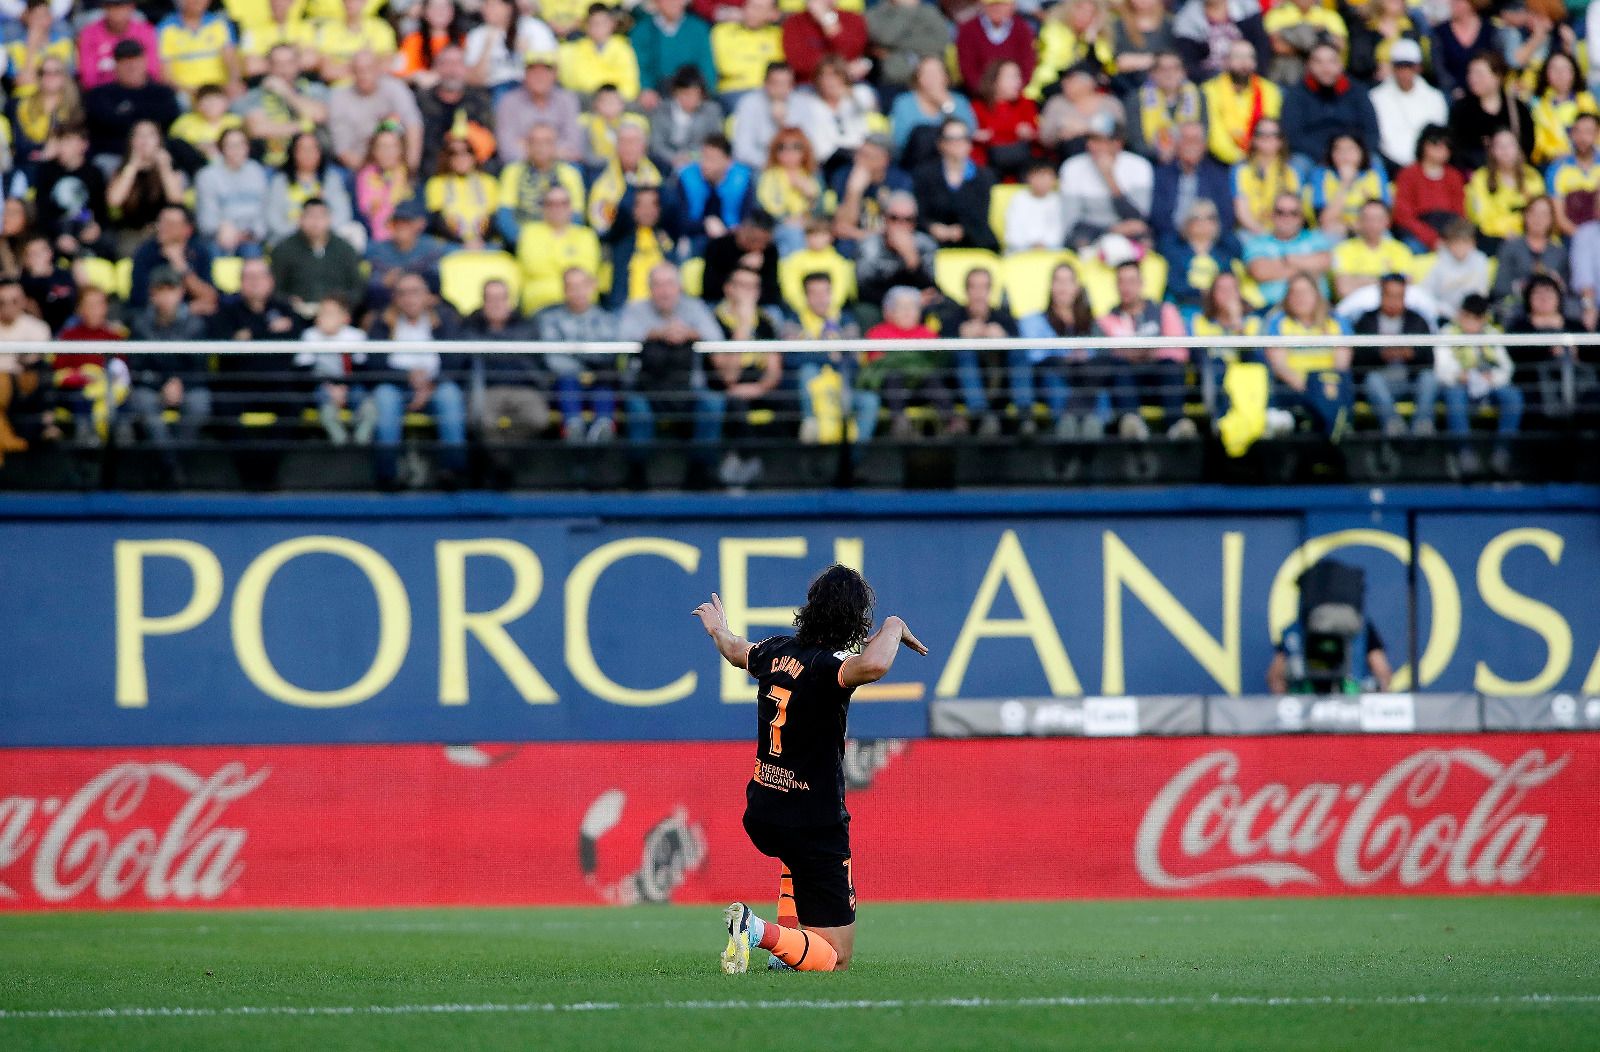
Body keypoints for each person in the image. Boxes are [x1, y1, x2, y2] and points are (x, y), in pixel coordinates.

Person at [703, 565, 928, 975]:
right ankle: (755, 930)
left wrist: (718, 629)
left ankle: (783, 954)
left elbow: (735, 649)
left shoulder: (775, 651)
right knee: (836, 957)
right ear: (855, 620)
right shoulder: (830, 670)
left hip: (763, 813)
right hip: (813, 823)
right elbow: (875, 665)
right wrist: (894, 624)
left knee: (796, 861)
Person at [615, 263, 726, 488]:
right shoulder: (635, 309)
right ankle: (637, 473)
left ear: (679, 288)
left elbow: (717, 339)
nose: (664, 291)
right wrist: (657, 333)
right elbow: (620, 340)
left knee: (713, 404)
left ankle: (700, 471)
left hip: (689, 388)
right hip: (646, 388)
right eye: (658, 285)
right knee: (637, 410)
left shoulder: (694, 308)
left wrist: (689, 333)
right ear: (649, 289)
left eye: (669, 285)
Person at [362, 271, 468, 487]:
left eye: (415, 292)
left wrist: (430, 383)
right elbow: (373, 363)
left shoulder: (445, 319)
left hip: (435, 385)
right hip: (395, 385)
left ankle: (454, 472)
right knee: (385, 398)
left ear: (428, 296)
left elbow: (456, 360)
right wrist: (407, 378)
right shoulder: (381, 322)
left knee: (450, 396)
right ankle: (387, 475)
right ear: (395, 297)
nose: (409, 298)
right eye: (403, 293)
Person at [125, 266, 212, 482]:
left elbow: (201, 366)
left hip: (188, 386)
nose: (166, 297)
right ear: (152, 294)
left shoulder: (195, 324)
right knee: (143, 404)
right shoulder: (140, 324)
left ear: (180, 292)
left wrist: (179, 382)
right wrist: (162, 383)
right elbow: (135, 365)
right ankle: (173, 468)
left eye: (170, 290)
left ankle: (170, 467)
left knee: (200, 405)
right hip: (151, 386)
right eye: (160, 290)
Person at [1096, 260, 1191, 438]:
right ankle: (1131, 423)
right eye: (1121, 281)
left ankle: (1176, 425)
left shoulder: (1165, 310)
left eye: (1131, 281)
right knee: (1119, 367)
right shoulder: (1106, 319)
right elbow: (1107, 354)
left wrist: (1143, 351)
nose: (1126, 287)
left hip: (1160, 376)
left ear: (1141, 283)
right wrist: (1142, 350)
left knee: (1171, 365)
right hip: (1127, 381)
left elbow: (1180, 350)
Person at [708, 265, 782, 487]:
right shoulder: (715, 320)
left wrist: (759, 388)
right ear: (729, 289)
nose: (750, 292)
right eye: (743, 286)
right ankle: (745, 465)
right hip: (724, 387)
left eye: (754, 287)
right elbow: (727, 376)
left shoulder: (766, 321)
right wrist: (743, 326)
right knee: (735, 405)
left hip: (757, 386)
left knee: (791, 401)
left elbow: (774, 369)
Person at [463, 277, 550, 468]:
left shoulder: (527, 326)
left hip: (524, 388)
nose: (496, 304)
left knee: (538, 419)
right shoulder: (470, 326)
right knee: (481, 420)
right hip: (487, 389)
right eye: (491, 299)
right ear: (483, 302)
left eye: (501, 298)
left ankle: (501, 457)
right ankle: (504, 465)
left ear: (510, 301)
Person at [785, 270, 874, 447]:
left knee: (869, 401)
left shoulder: (845, 320)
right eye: (814, 293)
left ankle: (852, 462)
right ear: (805, 296)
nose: (821, 298)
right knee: (808, 370)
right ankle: (811, 424)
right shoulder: (794, 321)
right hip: (808, 389)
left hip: (843, 385)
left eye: (825, 292)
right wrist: (829, 355)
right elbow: (790, 359)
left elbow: (854, 359)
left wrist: (816, 353)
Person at [1015, 261, 1104, 438]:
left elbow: (1099, 353)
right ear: (1050, 286)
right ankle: (1069, 423)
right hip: (1052, 376)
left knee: (1095, 372)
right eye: (1058, 281)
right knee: (1053, 373)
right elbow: (1035, 357)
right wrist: (1067, 355)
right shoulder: (1033, 321)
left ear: (1077, 287)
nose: (1063, 287)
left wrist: (1082, 356)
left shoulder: (1091, 323)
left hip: (1084, 376)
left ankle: (1091, 425)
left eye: (1068, 281)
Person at [1435, 292, 1521, 477]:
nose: (1471, 322)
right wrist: (1460, 375)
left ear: (1484, 318)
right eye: (1468, 317)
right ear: (1460, 314)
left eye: (1477, 318)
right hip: (1460, 385)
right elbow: (1441, 369)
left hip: (1488, 386)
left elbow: (1507, 368)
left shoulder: (1492, 333)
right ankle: (1464, 453)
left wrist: (1492, 377)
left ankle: (1502, 452)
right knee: (1454, 395)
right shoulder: (1447, 333)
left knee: (1512, 396)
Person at [1259, 270, 1352, 437]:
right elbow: (1279, 365)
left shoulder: (1336, 321)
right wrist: (1311, 388)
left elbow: (1341, 364)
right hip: (1295, 387)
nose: (1300, 297)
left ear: (1317, 294)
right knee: (1324, 403)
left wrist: (1322, 385)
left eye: (1305, 292)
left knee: (1332, 390)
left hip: (1330, 384)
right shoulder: (1278, 321)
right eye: (1295, 292)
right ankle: (1332, 431)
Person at [537, 267, 618, 443]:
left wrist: (572, 352)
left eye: (582, 285)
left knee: (604, 379)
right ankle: (573, 428)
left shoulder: (607, 319)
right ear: (564, 290)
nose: (577, 292)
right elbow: (553, 359)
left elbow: (609, 355)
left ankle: (603, 427)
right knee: (568, 380)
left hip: (599, 379)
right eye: (572, 287)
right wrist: (587, 361)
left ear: (591, 287)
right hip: (564, 381)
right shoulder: (549, 318)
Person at [860, 285, 950, 438]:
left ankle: (953, 421)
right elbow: (876, 364)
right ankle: (900, 424)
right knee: (894, 375)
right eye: (902, 307)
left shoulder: (927, 333)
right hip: (890, 394)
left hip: (921, 391)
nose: (908, 312)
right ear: (888, 311)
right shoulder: (878, 333)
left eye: (913, 307)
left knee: (931, 376)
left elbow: (937, 360)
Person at [1353, 272, 1438, 435]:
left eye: (1398, 296)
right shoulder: (1366, 320)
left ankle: (1422, 427)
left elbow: (1430, 359)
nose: (1393, 301)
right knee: (1372, 379)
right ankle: (1393, 426)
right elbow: (1357, 360)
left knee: (1429, 378)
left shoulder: (1418, 320)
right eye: (1389, 295)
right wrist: (1381, 355)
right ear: (1380, 294)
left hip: (1411, 381)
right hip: (1381, 383)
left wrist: (1411, 354)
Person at [937, 266, 1016, 437]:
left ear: (990, 290)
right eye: (974, 287)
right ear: (966, 290)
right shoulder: (952, 319)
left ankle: (1025, 414)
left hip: (1001, 386)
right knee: (964, 353)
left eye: (984, 287)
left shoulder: (1004, 319)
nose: (979, 293)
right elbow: (940, 358)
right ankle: (980, 414)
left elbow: (1022, 354)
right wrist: (961, 339)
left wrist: (1005, 340)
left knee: (1018, 352)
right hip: (959, 388)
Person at [1057, 112, 1152, 250]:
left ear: (1117, 143)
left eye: (1099, 140)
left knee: (1144, 239)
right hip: (1090, 232)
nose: (1091, 145)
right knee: (1079, 240)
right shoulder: (1072, 167)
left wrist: (1110, 178)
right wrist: (1111, 231)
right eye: (1090, 139)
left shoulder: (1139, 166)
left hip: (1127, 232)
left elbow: (1139, 218)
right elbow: (1071, 222)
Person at [1280, 42, 1380, 171]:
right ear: (1308, 65)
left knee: (1375, 163)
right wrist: (1329, 157)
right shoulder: (1297, 94)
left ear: (1340, 65)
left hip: (1353, 154)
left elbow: (1371, 131)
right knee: (1296, 165)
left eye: (1331, 62)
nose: (1325, 68)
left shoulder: (1357, 91)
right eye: (1319, 62)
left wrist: (1353, 154)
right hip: (1312, 156)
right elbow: (1292, 135)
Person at [1267, 591, 1393, 693]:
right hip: (1348, 707)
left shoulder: (1294, 630)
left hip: (1325, 706)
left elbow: (1275, 679)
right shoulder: (1361, 627)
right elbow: (1382, 672)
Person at [235, 43, 330, 170]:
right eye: (277, 64)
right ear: (268, 66)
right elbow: (257, 129)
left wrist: (285, 92)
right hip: (268, 165)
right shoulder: (255, 94)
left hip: (312, 166)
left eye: (289, 63)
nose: (284, 69)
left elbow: (318, 116)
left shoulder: (315, 90)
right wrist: (304, 126)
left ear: (298, 65)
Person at [328, 51, 424, 176]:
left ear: (378, 69)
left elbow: (413, 124)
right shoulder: (339, 97)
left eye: (368, 69)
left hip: (398, 166)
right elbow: (343, 151)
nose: (363, 75)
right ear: (351, 72)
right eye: (358, 70)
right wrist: (372, 175)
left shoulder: (395, 88)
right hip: (357, 168)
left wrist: (410, 168)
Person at [295, 293, 373, 446]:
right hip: (322, 386)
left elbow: (361, 370)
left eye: (331, 313)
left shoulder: (356, 336)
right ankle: (341, 442)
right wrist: (329, 387)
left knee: (368, 407)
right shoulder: (310, 335)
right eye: (322, 313)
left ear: (345, 318)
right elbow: (304, 370)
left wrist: (344, 387)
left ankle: (360, 442)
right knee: (327, 411)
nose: (325, 317)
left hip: (351, 386)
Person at [495, 123, 588, 248]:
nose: (540, 147)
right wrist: (525, 242)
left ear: (555, 146)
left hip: (561, 243)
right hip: (522, 242)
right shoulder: (512, 172)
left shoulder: (570, 174)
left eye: (547, 142)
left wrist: (556, 241)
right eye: (535, 142)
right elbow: (505, 215)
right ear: (526, 145)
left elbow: (576, 216)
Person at [269, 198, 364, 319]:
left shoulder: (345, 250)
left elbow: (357, 288)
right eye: (310, 216)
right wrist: (288, 301)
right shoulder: (284, 250)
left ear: (329, 220)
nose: (315, 222)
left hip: (337, 316)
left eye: (320, 217)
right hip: (295, 316)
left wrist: (340, 303)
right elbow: (274, 289)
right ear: (300, 219)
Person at [517, 185, 602, 313]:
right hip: (540, 303)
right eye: (551, 204)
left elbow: (587, 269)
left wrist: (551, 260)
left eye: (563, 203)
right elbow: (533, 266)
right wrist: (569, 265)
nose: (557, 209)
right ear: (543, 208)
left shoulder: (586, 235)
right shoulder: (529, 232)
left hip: (580, 305)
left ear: (570, 207)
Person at [1151, 121, 1233, 251]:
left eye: (1196, 140)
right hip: (1173, 238)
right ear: (1177, 144)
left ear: (1204, 145)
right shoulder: (1162, 174)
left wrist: (1203, 233)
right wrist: (1186, 235)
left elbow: (1226, 215)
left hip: (1210, 239)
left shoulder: (1217, 175)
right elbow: (1157, 215)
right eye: (1186, 139)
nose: (1191, 145)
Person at [1447, 50, 1533, 173]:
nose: (1473, 78)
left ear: (1497, 77)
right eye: (1470, 73)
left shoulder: (1517, 108)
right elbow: (1457, 148)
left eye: (1479, 74)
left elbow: (1527, 143)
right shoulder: (1461, 109)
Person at [1244, 190, 1333, 309]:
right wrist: (1307, 268)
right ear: (1272, 214)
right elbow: (1259, 271)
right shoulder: (1258, 242)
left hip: (1317, 309)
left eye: (1293, 213)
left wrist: (1285, 261)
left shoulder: (1315, 237)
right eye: (1280, 212)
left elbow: (1325, 261)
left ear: (1302, 217)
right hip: (1272, 309)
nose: (1287, 217)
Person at [415, 45, 495, 177]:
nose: (452, 70)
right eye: (446, 63)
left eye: (458, 64)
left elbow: (488, 142)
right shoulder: (422, 101)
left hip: (474, 170)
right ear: (437, 68)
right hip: (430, 171)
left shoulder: (479, 100)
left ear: (466, 69)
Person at [732, 62, 829, 170]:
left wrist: (783, 123)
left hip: (798, 164)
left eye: (786, 84)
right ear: (765, 83)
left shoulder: (803, 103)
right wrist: (775, 165)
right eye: (776, 84)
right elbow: (742, 150)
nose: (781, 89)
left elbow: (810, 146)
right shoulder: (749, 103)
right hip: (762, 166)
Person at [1371, 38, 1447, 174]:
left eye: (1409, 66)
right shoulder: (1376, 97)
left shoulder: (1434, 97)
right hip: (1389, 166)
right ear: (1393, 68)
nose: (1405, 72)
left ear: (1418, 68)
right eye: (1400, 67)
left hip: (1426, 166)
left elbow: (1436, 136)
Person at [1201, 39, 1280, 169]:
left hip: (1261, 158)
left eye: (1249, 57)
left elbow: (1268, 130)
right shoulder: (1209, 90)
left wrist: (1256, 158)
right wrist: (1239, 159)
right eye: (1237, 57)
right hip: (1221, 161)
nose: (1244, 63)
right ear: (1226, 61)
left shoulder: (1269, 91)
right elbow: (1215, 134)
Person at [828, 134, 911, 257]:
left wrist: (861, 235)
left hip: (887, 243)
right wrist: (854, 191)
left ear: (884, 159)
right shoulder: (843, 175)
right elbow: (840, 227)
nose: (858, 160)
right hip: (853, 243)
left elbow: (901, 225)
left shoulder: (900, 180)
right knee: (844, 247)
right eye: (858, 154)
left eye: (866, 156)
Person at [855, 191, 938, 311]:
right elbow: (863, 290)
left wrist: (913, 261)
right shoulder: (869, 245)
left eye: (908, 219)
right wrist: (902, 303)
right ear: (885, 219)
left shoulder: (925, 244)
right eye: (894, 218)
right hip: (881, 305)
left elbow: (930, 288)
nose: (901, 225)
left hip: (918, 305)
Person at [495, 53, 583, 165]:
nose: (539, 76)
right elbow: (507, 149)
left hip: (561, 164)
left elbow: (574, 145)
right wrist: (550, 150)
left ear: (555, 74)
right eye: (533, 71)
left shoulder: (567, 99)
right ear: (525, 74)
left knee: (574, 168)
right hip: (521, 165)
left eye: (545, 71)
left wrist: (532, 148)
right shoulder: (509, 101)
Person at [1466, 128, 1546, 252]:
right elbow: (1481, 216)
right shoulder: (1480, 178)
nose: (1505, 151)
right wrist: (1505, 231)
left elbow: (1539, 212)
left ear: (1518, 149)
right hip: (1493, 237)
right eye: (1500, 146)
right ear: (1492, 150)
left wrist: (1520, 231)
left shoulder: (1532, 176)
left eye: (1510, 145)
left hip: (1528, 234)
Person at [195, 126, 270, 258]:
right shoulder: (207, 175)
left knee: (252, 252)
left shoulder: (257, 172)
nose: (236, 150)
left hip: (251, 236)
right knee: (213, 250)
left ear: (247, 147)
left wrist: (252, 233)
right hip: (219, 235)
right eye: (230, 145)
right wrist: (221, 228)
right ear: (221, 149)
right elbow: (206, 220)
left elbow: (263, 211)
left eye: (240, 144)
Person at [127, 204, 217, 314]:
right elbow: (140, 299)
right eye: (161, 222)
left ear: (187, 229)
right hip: (152, 319)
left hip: (192, 322)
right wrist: (186, 310)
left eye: (170, 224)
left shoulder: (199, 252)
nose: (163, 227)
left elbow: (210, 297)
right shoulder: (145, 252)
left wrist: (181, 266)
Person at [1491, 195, 1569, 320]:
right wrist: (1523, 286)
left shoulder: (1559, 252)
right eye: (1534, 213)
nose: (1538, 219)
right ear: (1525, 216)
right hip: (1518, 304)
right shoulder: (1510, 247)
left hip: (1552, 308)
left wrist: (1555, 282)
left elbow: (1567, 288)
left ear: (1551, 219)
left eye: (1544, 214)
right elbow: (1500, 286)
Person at [888, 56, 976, 166]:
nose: (932, 78)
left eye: (936, 73)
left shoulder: (959, 101)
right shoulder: (904, 102)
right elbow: (899, 139)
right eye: (926, 73)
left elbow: (969, 133)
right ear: (918, 78)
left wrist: (946, 106)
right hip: (914, 163)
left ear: (946, 77)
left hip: (954, 161)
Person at [1393, 126, 1466, 252]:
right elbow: (1403, 215)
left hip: (1449, 231)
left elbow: (1459, 213)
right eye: (1435, 143)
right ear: (1423, 145)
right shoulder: (1408, 174)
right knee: (1411, 248)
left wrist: (1451, 239)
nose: (1441, 148)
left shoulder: (1454, 176)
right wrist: (1432, 239)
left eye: (1446, 145)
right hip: (1416, 232)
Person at [630, 0, 717, 106]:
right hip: (657, 95)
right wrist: (646, 88)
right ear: (657, 3)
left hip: (691, 90)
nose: (673, 3)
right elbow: (639, 65)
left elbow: (707, 65)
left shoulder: (698, 28)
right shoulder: (642, 30)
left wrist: (703, 92)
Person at [466, 0, 558, 99]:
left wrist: (527, 54)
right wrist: (487, 47)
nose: (485, 9)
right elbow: (474, 80)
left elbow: (551, 69)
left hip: (530, 88)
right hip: (494, 90)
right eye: (484, 4)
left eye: (491, 5)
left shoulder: (533, 28)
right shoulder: (477, 35)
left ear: (508, 7)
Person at [678, 133, 753, 255]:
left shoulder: (743, 180)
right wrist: (705, 225)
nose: (705, 164)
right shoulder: (686, 178)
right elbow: (680, 220)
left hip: (733, 237)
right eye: (703, 157)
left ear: (728, 161)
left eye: (712, 159)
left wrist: (734, 230)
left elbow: (747, 218)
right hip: (696, 236)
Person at [1304, 133, 1390, 239]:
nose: (1345, 155)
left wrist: (1352, 229)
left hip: (1365, 230)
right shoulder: (1321, 174)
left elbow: (1380, 218)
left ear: (1361, 152)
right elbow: (1325, 221)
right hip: (1335, 231)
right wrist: (1345, 184)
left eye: (1350, 149)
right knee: (1327, 236)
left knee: (1385, 237)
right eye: (1339, 150)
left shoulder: (1375, 173)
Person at [425, 131, 499, 250]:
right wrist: (462, 242)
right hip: (450, 243)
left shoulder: (489, 182)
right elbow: (437, 220)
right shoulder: (436, 183)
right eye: (454, 153)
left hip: (484, 242)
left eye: (466, 152)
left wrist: (478, 241)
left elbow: (493, 218)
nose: (460, 158)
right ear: (447, 157)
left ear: (474, 155)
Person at [756, 128, 823, 257]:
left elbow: (822, 211)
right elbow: (762, 210)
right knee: (792, 234)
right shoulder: (767, 177)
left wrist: (811, 196)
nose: (789, 152)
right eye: (782, 147)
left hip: (809, 227)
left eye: (796, 147)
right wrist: (785, 220)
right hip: (775, 227)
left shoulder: (814, 176)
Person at [1163, 198, 1237, 313]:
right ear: (1187, 222)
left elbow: (1229, 280)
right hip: (1185, 305)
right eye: (1197, 217)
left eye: (1209, 217)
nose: (1203, 222)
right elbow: (1175, 284)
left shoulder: (1224, 252)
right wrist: (1202, 292)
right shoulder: (1175, 251)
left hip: (1217, 308)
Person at [1333, 200, 1413, 302]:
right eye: (1367, 219)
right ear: (1359, 221)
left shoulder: (1401, 250)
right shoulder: (1343, 249)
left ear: (1387, 221)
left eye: (1378, 219)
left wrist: (1360, 280)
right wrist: (1384, 281)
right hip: (1356, 305)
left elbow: (1404, 287)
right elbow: (1343, 290)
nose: (1373, 224)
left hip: (1389, 306)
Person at [972, 59, 1039, 181]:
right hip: (990, 164)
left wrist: (1030, 134)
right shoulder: (977, 107)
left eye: (1018, 77)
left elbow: (1036, 135)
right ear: (994, 81)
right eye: (1011, 77)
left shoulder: (1027, 104)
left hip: (1022, 163)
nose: (1018, 82)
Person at [1231, 117, 1298, 237]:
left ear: (1280, 140)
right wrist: (1265, 235)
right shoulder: (1241, 170)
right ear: (1254, 139)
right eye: (1262, 134)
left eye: (1274, 134)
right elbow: (1242, 213)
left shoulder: (1291, 171)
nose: (1267, 138)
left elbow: (1295, 211)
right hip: (1251, 231)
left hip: (1284, 233)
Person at [865, 0, 950, 94]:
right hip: (895, 80)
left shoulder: (928, 11)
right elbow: (885, 37)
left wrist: (895, 47)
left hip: (929, 75)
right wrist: (905, 10)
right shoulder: (875, 13)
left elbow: (941, 41)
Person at [1130, 50, 1199, 165]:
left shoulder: (1197, 96)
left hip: (1190, 162)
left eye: (1175, 68)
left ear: (1184, 72)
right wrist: (1158, 153)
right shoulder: (1136, 99)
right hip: (1151, 161)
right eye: (1163, 69)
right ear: (1152, 74)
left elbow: (1204, 133)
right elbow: (1136, 141)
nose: (1169, 74)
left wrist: (1181, 151)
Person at [559, 4, 641, 101]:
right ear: (586, 26)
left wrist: (611, 98)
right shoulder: (577, 48)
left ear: (612, 24)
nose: (598, 27)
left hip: (617, 101)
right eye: (594, 23)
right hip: (588, 100)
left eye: (602, 23)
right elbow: (579, 80)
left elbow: (630, 84)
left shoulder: (623, 48)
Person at [649, 67, 725, 170]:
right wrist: (674, 158)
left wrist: (692, 157)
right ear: (675, 93)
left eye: (696, 94)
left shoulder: (711, 111)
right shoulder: (662, 111)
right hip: (666, 163)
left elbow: (715, 144)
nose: (691, 99)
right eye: (686, 94)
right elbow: (657, 145)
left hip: (700, 164)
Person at [79, 0, 161, 93]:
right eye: (112, 6)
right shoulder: (89, 34)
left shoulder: (146, 31)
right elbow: (88, 79)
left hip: (141, 92)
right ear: (104, 7)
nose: (117, 11)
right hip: (103, 94)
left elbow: (152, 72)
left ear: (131, 6)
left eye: (122, 5)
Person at [782, 0, 870, 87]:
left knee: (863, 93)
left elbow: (850, 52)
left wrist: (828, 22)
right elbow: (798, 62)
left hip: (848, 84)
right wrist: (841, 70)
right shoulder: (794, 22)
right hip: (809, 84)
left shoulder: (853, 19)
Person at [702, 211, 781, 307]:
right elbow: (710, 288)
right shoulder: (718, 246)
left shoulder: (770, 251)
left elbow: (772, 293)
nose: (760, 246)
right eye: (755, 240)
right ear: (743, 230)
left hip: (757, 305)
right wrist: (742, 266)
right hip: (722, 302)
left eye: (765, 242)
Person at [956, 0, 1035, 94]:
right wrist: (987, 92)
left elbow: (1027, 64)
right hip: (979, 96)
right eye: (992, 4)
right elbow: (967, 67)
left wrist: (1014, 89)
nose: (998, 8)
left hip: (1015, 94)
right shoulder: (968, 30)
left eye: (1002, 4)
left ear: (1012, 6)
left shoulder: (1022, 29)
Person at [1421, 216, 1491, 320]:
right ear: (1448, 243)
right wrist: (1448, 312)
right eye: (1456, 243)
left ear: (1473, 243)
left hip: (1472, 315)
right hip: (1443, 316)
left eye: (1465, 242)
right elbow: (1426, 294)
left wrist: (1466, 314)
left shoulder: (1480, 261)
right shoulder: (1439, 261)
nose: (1460, 248)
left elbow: (1481, 293)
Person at [1263, 0, 1347, 85]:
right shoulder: (1277, 14)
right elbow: (1278, 47)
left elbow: (1340, 45)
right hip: (1289, 76)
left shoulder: (1330, 15)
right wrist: (1315, 39)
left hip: (1324, 76)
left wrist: (1297, 42)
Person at [711, 0, 783, 99]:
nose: (751, 11)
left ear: (773, 14)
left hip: (768, 93)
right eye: (749, 6)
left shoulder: (778, 36)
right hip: (732, 91)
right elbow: (726, 67)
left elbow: (779, 69)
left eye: (758, 8)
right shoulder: (722, 31)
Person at [1549, 113, 1600, 238]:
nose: (1582, 137)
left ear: (1597, 134)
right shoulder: (1557, 168)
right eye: (1578, 131)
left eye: (1588, 132)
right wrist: (1585, 239)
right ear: (1571, 134)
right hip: (1570, 236)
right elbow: (1559, 218)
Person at [1004, 160, 1066, 253]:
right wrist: (1031, 245)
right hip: (1021, 249)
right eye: (1039, 176)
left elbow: (1059, 230)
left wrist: (1044, 245)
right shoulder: (1018, 199)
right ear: (1029, 178)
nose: (1043, 181)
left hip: (1052, 248)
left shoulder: (1058, 200)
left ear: (1054, 180)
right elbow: (1012, 230)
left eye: (1047, 176)